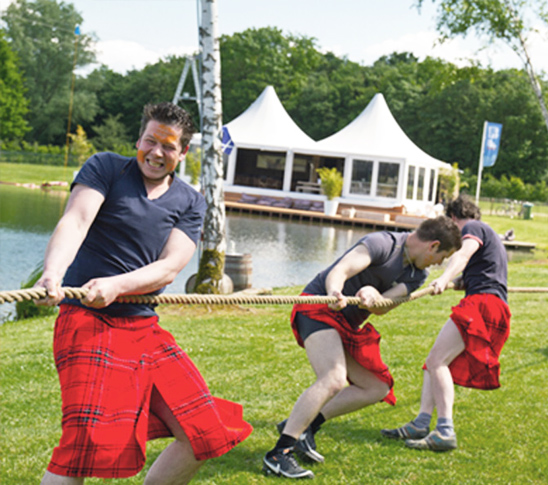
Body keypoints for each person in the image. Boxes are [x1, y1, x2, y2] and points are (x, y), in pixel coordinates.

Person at [35, 102, 252, 484]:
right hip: (86, 321)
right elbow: (76, 220)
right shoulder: (106, 167)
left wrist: (118, 285)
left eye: (168, 146)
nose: (155, 152)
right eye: (149, 141)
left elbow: (170, 266)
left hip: (142, 329)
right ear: (139, 139)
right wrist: (52, 272)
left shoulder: (190, 201)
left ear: (183, 153)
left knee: (206, 429)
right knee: (83, 442)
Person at [262, 216, 462, 479]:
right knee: (333, 378)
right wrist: (335, 292)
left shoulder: (418, 275)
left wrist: (373, 297)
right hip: (318, 307)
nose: (440, 264)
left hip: (345, 324)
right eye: (443, 256)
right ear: (433, 246)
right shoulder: (382, 243)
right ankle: (279, 454)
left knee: (376, 387)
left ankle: (306, 427)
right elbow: (340, 271)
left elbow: (383, 307)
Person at [381, 195, 511, 451]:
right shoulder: (489, 233)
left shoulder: (472, 228)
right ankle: (421, 423)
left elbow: (463, 255)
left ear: (453, 219)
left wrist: (444, 278)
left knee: (437, 362)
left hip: (483, 304)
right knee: (434, 362)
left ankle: (444, 430)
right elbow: (485, 271)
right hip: (491, 304)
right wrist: (464, 280)